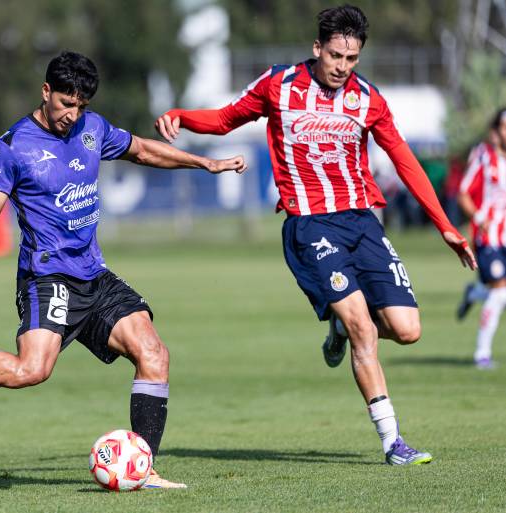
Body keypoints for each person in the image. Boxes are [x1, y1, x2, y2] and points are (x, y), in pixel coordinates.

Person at [0, 51, 246, 489]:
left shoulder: (92, 128)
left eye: (80, 105)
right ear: (46, 92)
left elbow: (141, 150)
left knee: (154, 354)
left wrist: (205, 163)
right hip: (47, 278)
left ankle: (142, 466)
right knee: (31, 371)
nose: (73, 114)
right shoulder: (12, 147)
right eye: (66, 103)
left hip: (94, 275)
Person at [155, 4, 476, 465]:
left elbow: (404, 160)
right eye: (335, 57)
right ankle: (393, 442)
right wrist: (181, 115)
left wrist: (445, 225)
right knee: (365, 328)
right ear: (317, 48)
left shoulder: (367, 99)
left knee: (407, 330)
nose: (343, 68)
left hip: (362, 222)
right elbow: (226, 119)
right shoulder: (278, 85)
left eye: (351, 59)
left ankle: (339, 327)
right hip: (310, 226)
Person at [457, 108, 506, 369]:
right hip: (489, 237)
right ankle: (482, 354)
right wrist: (478, 219)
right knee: (499, 291)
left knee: (500, 293)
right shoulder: (484, 157)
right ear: (497, 130)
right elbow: (463, 192)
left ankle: (475, 293)